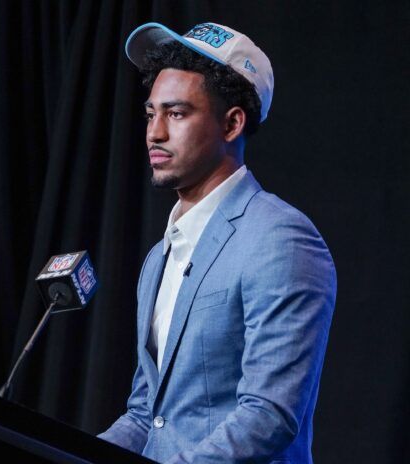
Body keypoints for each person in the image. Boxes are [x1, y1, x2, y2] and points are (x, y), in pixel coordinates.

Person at [98, 22, 336, 464]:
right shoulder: (159, 257)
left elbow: (267, 417)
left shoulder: (281, 238)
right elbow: (146, 414)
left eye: (177, 113)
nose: (155, 133)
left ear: (231, 124)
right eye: (151, 113)